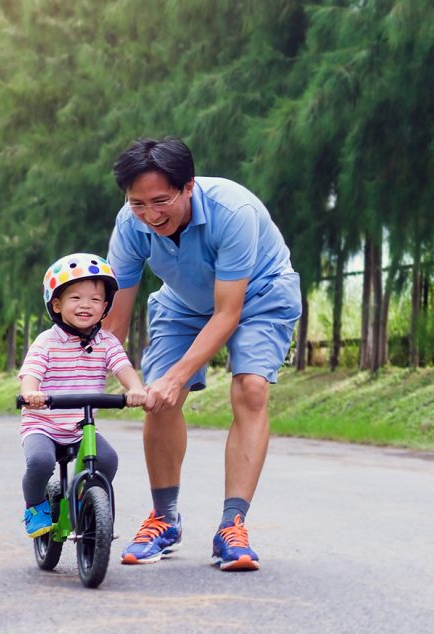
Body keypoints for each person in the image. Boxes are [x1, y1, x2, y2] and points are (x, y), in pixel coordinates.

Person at [104, 137, 301, 571]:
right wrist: (87, 379)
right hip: (182, 299)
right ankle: (164, 519)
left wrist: (179, 376)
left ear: (188, 187)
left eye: (160, 201)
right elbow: (113, 323)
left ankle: (233, 527)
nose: (150, 215)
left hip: (258, 296)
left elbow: (228, 312)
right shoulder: (130, 224)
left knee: (250, 389)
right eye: (137, 203)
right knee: (159, 398)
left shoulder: (234, 213)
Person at [18, 253, 148, 538]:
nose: (86, 305)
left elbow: (122, 367)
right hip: (43, 425)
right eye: (75, 298)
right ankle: (35, 505)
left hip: (80, 426)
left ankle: (87, 503)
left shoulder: (106, 341)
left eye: (95, 299)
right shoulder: (47, 341)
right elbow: (31, 375)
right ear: (57, 304)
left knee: (108, 460)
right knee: (40, 462)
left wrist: (136, 389)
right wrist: (31, 394)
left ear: (105, 307)